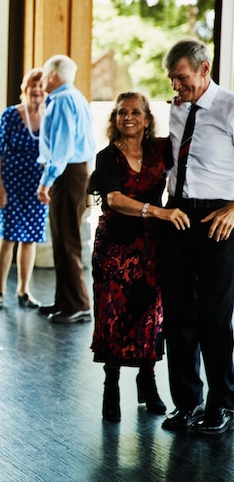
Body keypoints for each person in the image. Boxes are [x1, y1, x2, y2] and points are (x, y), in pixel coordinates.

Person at [87, 92, 189, 422]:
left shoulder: (161, 149)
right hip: (115, 249)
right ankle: (111, 386)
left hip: (151, 248)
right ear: (114, 119)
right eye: (121, 112)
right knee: (113, 315)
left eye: (135, 112)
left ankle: (148, 381)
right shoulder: (108, 157)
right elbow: (114, 199)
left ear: (147, 118)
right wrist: (158, 211)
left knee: (151, 316)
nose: (128, 117)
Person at [158, 38, 234, 435]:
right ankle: (187, 402)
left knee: (215, 317)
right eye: (171, 79)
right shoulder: (177, 109)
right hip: (178, 215)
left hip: (218, 217)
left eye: (181, 77)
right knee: (178, 316)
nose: (175, 85)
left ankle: (223, 404)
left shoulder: (230, 107)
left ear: (205, 69)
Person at [36, 54, 95, 323]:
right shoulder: (76, 97)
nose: (43, 79)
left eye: (46, 74)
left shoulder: (61, 101)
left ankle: (78, 305)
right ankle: (65, 301)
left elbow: (61, 148)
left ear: (54, 75)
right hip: (74, 172)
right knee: (62, 239)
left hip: (66, 174)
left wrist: (46, 181)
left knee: (67, 240)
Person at [0, 67, 48, 309]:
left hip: (37, 187)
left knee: (30, 239)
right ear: (25, 89)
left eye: (40, 86)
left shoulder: (50, 116)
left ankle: (24, 291)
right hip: (12, 185)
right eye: (32, 86)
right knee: (8, 237)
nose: (36, 90)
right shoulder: (11, 115)